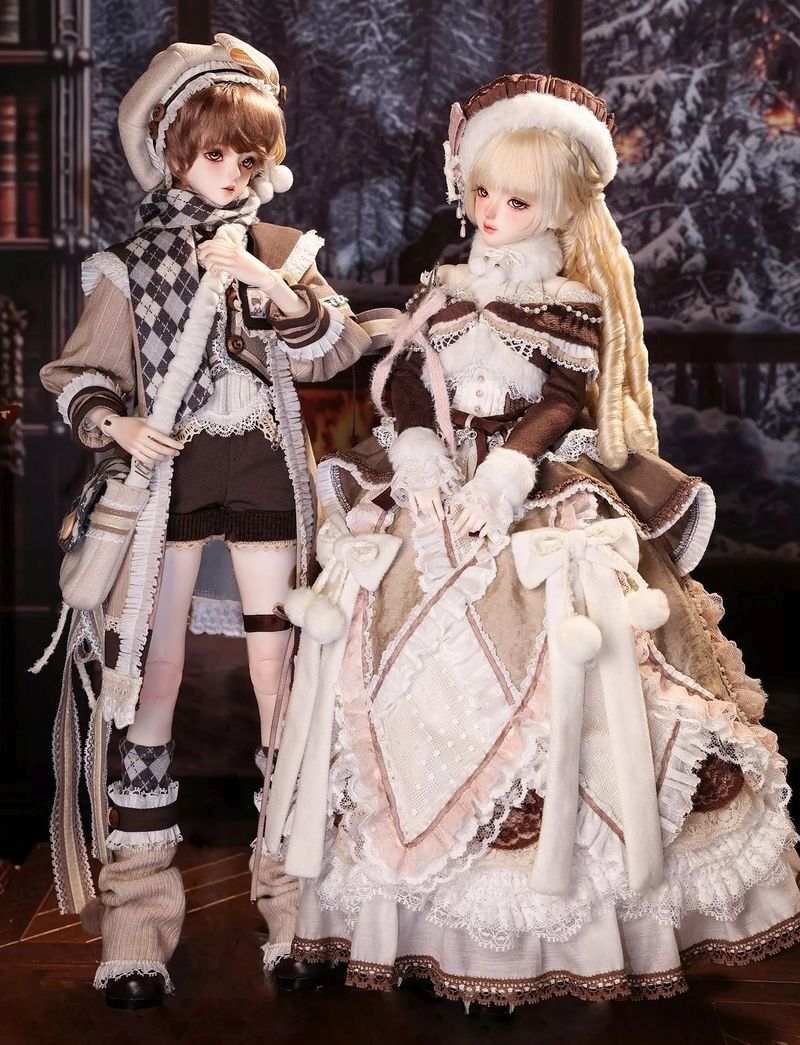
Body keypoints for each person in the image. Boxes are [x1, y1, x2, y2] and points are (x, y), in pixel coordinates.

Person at [264, 73, 800, 1010]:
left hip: (528, 494)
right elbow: (403, 382)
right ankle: (416, 920)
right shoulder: (443, 293)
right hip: (432, 494)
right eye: (483, 193)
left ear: (557, 208)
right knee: (391, 676)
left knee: (573, 676)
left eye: (517, 201)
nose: (493, 213)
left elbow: (559, 402)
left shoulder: (569, 303)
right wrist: (418, 450)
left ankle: (540, 932)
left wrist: (506, 472)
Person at [36, 33, 393, 1009]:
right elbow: (82, 375)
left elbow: (336, 350)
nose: (233, 172)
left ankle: (294, 909)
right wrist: (118, 423)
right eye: (213, 153)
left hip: (267, 477)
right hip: (168, 487)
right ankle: (137, 923)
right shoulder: (130, 265)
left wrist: (273, 288)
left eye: (248, 155)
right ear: (171, 152)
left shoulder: (282, 249)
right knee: (150, 681)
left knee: (284, 684)